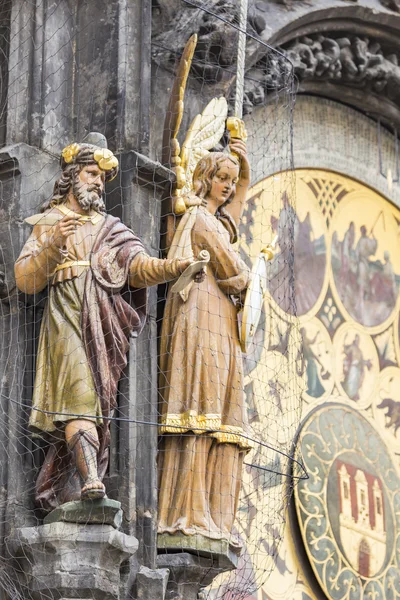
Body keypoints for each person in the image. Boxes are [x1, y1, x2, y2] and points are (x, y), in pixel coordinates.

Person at [15, 136, 193, 511]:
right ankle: (91, 479)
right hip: (65, 322)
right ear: (71, 176)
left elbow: (139, 268)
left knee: (95, 406)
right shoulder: (50, 221)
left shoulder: (112, 228)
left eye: (102, 177)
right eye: (91, 173)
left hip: (103, 328)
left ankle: (72, 480)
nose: (98, 182)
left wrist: (174, 267)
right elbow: (25, 280)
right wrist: (51, 247)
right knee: (80, 398)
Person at [157, 141, 252, 544]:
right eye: (222, 179)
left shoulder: (218, 223)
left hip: (220, 321)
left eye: (232, 181)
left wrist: (243, 165)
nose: (228, 187)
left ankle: (212, 514)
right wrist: (252, 280)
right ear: (206, 179)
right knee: (199, 408)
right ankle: (188, 512)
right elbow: (235, 271)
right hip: (202, 319)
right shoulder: (200, 220)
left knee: (220, 414)